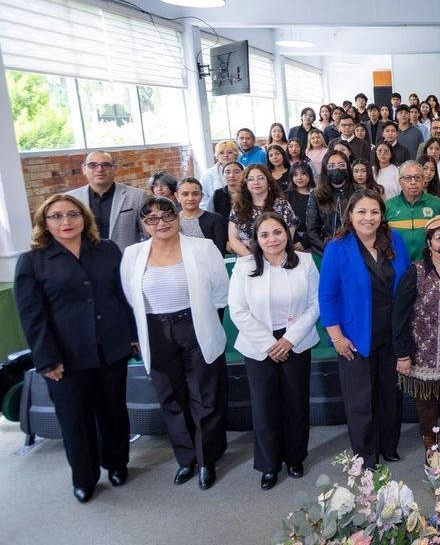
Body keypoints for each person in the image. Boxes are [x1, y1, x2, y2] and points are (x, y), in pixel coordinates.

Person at [14, 195, 135, 503]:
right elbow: (32, 317)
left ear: (85, 218)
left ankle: (117, 464)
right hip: (65, 356)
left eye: (73, 214)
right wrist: (46, 359)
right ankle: (84, 477)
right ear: (44, 223)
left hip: (111, 347)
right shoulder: (33, 261)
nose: (66, 221)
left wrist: (132, 335)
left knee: (113, 411)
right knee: (74, 420)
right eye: (56, 216)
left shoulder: (106, 249)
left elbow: (122, 295)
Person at [121, 197, 229, 489]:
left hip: (195, 325)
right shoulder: (132, 254)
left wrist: (207, 320)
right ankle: (187, 458)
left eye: (167, 215)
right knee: (171, 398)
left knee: (205, 396)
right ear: (144, 225)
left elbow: (221, 291)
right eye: (152, 219)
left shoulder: (202, 248)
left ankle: (207, 459)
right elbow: (130, 295)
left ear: (177, 217)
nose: (161, 223)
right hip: (155, 330)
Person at [229, 213, 320, 490]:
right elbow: (238, 310)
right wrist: (269, 343)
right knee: (264, 405)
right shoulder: (244, 266)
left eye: (278, 232)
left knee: (296, 402)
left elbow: (316, 304)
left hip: (296, 341)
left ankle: (295, 457)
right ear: (256, 239)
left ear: (287, 234)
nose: (272, 239)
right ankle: (269, 464)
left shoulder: (304, 262)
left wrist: (289, 339)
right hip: (259, 344)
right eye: (265, 234)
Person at [319, 190, 411, 465]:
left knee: (390, 395)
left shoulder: (395, 240)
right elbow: (327, 297)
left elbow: (406, 284)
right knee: (360, 400)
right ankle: (365, 455)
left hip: (392, 334)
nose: (368, 217)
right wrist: (337, 338)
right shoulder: (337, 248)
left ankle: (388, 446)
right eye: (361, 211)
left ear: (382, 215)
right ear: (350, 215)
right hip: (354, 337)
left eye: (374, 211)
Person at [393, 215, 440, 468]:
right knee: (426, 405)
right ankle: (431, 445)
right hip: (423, 355)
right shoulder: (415, 273)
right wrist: (403, 355)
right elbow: (399, 316)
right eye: (439, 238)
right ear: (429, 243)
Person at [67, 151, 147, 251]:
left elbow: (148, 234)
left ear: (115, 168)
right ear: (84, 169)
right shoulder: (71, 198)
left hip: (125, 257)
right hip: (84, 257)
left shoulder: (137, 196)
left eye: (106, 165)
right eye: (93, 165)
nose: (100, 169)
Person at [228, 164, 299, 256]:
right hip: (248, 257)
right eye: (251, 179)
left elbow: (288, 238)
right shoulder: (238, 207)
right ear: (245, 183)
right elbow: (233, 239)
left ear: (268, 181)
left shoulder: (282, 205)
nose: (256, 182)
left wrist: (268, 259)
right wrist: (252, 258)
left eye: (260, 178)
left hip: (277, 256)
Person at [386, 161, 440, 262]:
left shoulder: (437, 204)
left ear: (423, 180)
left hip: (430, 265)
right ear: (400, 182)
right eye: (407, 178)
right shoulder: (388, 206)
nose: (413, 182)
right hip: (396, 264)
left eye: (417, 177)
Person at [306, 151, 353, 256]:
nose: (337, 169)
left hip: (355, 249)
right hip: (326, 249)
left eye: (341, 165)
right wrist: (328, 251)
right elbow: (312, 230)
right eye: (331, 166)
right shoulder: (316, 195)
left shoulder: (358, 192)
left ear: (347, 168)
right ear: (325, 169)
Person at [176, 177, 227, 254]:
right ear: (177, 196)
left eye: (195, 194)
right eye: (185, 194)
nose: (190, 198)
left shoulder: (215, 219)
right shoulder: (172, 222)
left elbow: (220, 251)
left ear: (202, 196)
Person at [200, 141, 242, 211]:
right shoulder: (207, 175)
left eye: (229, 152)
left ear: (236, 154)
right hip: (216, 212)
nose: (225, 155)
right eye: (221, 153)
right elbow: (203, 199)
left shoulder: (246, 171)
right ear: (217, 156)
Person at [286, 162, 315, 251]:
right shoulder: (286, 196)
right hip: (292, 239)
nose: (299, 178)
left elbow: (319, 222)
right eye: (295, 175)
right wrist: (294, 240)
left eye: (303, 174)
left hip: (313, 240)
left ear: (309, 175)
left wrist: (304, 242)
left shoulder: (317, 195)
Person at [212, 160, 244, 225]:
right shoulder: (218, 194)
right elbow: (210, 216)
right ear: (223, 175)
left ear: (243, 174)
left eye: (236, 172)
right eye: (227, 172)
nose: (231, 175)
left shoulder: (250, 192)